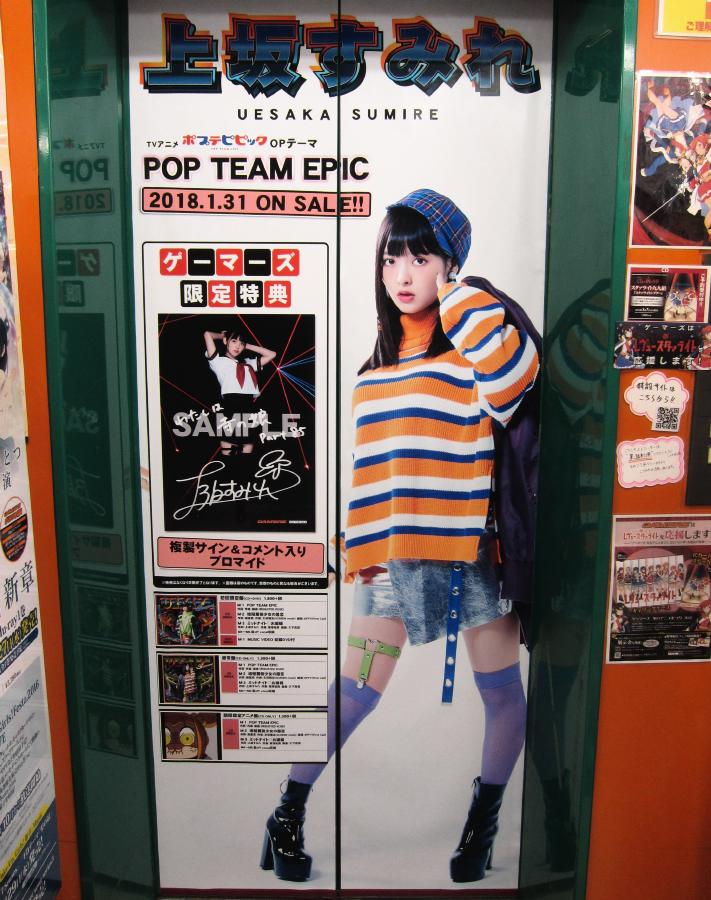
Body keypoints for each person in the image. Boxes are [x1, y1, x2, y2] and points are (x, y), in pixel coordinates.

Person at [260, 189, 539, 883]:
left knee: (501, 691)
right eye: (391, 258)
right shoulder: (374, 370)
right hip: (387, 560)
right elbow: (372, 474)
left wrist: (462, 294)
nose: (403, 274)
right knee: (356, 688)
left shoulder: (475, 344)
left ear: (448, 265)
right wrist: (353, 549)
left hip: (470, 555)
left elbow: (515, 385)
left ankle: (481, 825)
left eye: (421, 257)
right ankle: (285, 815)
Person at [203, 328, 276, 455]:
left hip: (249, 410)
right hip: (229, 410)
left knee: (247, 456)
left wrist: (246, 345)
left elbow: (272, 354)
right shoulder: (218, 361)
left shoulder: (248, 363)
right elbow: (207, 334)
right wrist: (222, 336)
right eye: (234, 341)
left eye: (241, 343)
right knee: (228, 456)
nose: (238, 346)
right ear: (226, 341)